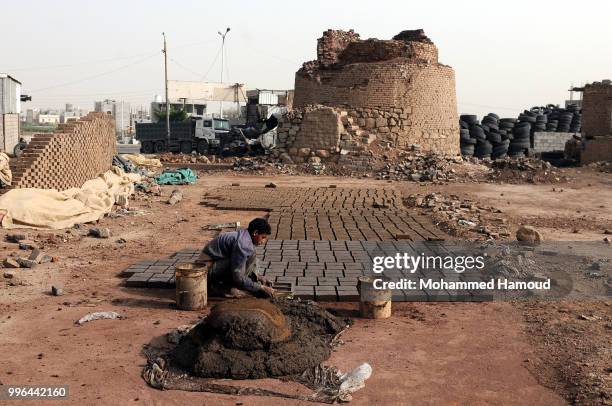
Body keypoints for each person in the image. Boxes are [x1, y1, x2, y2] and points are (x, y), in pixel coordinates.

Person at [201, 217, 274, 297]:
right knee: (240, 269)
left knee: (253, 259)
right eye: (263, 237)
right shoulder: (243, 244)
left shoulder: (246, 236)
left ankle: (239, 284)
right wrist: (261, 287)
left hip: (215, 262)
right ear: (255, 233)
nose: (263, 242)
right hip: (205, 271)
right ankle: (217, 288)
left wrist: (258, 277)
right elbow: (238, 277)